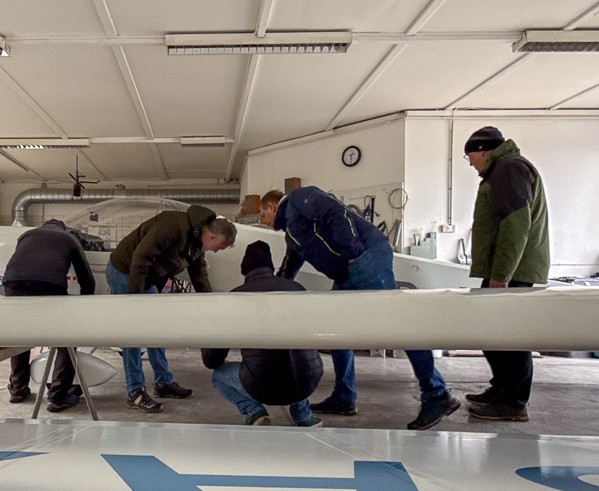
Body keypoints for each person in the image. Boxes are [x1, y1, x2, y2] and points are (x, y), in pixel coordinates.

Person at [259, 186, 459, 430]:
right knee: (337, 331)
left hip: (365, 259)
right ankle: (344, 396)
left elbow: (335, 212)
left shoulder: (298, 199)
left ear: (272, 207)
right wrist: (275, 288)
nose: (264, 221)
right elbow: (291, 262)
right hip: (348, 272)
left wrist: (352, 252)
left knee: (400, 324)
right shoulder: (293, 233)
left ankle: (437, 395)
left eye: (263, 215)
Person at [107, 205, 237, 413]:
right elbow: (140, 258)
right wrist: (134, 302)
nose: (216, 251)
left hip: (147, 277)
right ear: (212, 236)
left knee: (156, 330)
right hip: (126, 271)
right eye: (218, 247)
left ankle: (163, 383)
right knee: (132, 332)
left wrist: (210, 304)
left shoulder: (197, 243)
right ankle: (135, 392)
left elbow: (199, 274)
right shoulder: (173, 225)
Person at [463, 126, 550, 421]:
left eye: (469, 157)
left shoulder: (508, 170)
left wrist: (502, 275)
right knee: (492, 333)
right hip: (506, 268)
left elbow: (515, 225)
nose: (471, 164)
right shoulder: (503, 169)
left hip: (513, 270)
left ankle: (513, 402)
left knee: (510, 337)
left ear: (482, 152)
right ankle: (501, 389)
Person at [201, 241, 324, 427]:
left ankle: (254, 412)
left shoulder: (235, 298)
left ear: (244, 272)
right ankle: (304, 416)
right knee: (296, 359)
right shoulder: (297, 288)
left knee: (219, 376)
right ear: (271, 268)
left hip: (264, 388)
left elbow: (211, 360)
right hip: (309, 381)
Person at [1, 218, 95, 412]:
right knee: (66, 340)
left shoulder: (26, 235)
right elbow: (85, 276)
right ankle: (58, 397)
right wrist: (86, 303)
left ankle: (18, 389)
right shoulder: (68, 238)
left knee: (20, 335)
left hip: (12, 283)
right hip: (48, 285)